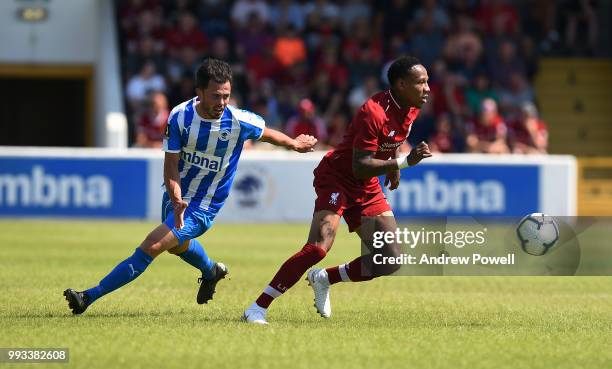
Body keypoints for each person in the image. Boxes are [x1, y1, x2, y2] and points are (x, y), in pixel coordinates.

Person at [64, 58, 317, 314]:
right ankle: (211, 270)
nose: (222, 103)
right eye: (216, 96)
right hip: (178, 197)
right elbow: (171, 164)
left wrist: (294, 144)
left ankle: (88, 297)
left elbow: (268, 133)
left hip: (205, 204)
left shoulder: (238, 120)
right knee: (176, 246)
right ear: (199, 92)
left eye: (226, 96)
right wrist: (176, 199)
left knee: (152, 245)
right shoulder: (180, 117)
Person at [243, 56, 432, 324]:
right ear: (401, 85)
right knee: (318, 248)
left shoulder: (411, 107)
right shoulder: (373, 111)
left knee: (390, 259)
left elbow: (391, 140)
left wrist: (393, 165)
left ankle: (325, 278)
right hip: (338, 178)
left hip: (366, 186)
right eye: (421, 82)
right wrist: (403, 162)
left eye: (427, 81)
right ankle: (257, 308)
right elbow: (360, 165)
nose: (427, 88)